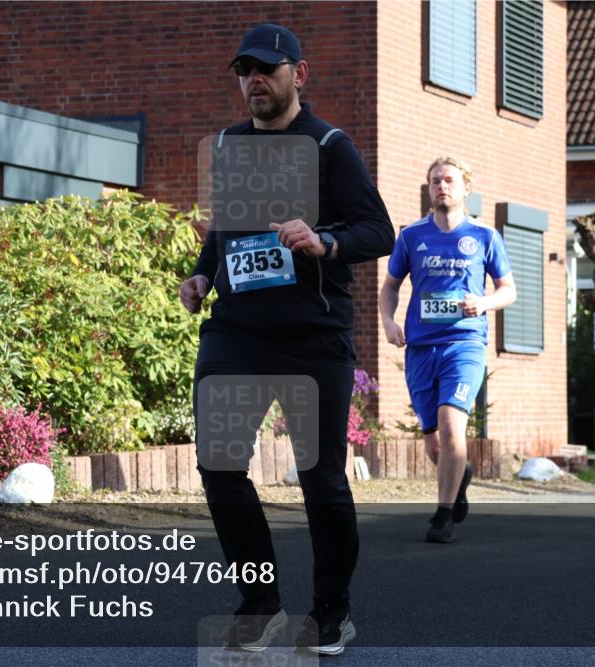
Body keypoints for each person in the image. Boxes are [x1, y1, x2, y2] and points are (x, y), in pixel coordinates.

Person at [179, 23, 394, 656]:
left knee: (320, 478)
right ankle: (260, 601)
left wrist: (324, 240)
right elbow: (225, 226)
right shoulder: (228, 144)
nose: (255, 81)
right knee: (219, 465)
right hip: (236, 333)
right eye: (245, 70)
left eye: (267, 69)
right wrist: (201, 274)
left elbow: (376, 231)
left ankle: (331, 609)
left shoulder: (330, 144)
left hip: (312, 338)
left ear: (299, 75)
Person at [379, 157, 516, 544]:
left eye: (449, 180)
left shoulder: (485, 237)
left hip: (465, 341)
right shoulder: (411, 237)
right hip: (420, 346)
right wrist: (389, 323)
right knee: (435, 440)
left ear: (465, 188)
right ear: (429, 188)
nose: (442, 186)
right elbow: (389, 286)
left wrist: (485, 303)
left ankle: (442, 516)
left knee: (451, 421)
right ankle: (461, 475)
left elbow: (509, 289)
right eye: (435, 180)